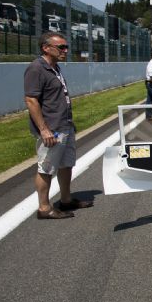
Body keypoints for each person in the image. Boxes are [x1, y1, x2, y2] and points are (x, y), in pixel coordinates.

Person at [23, 32, 93, 219]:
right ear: (46, 48)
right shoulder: (36, 69)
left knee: (66, 164)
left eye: (66, 47)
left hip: (65, 125)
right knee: (46, 168)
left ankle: (66, 199)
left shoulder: (55, 68)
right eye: (61, 47)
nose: (65, 50)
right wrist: (44, 129)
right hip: (52, 128)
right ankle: (44, 208)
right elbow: (31, 100)